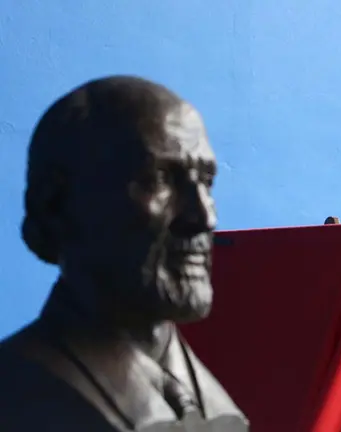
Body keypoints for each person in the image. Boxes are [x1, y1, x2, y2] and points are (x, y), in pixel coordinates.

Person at [0, 76, 248, 431]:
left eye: (205, 182)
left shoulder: (218, 408)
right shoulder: (18, 395)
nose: (205, 217)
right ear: (54, 205)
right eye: (161, 178)